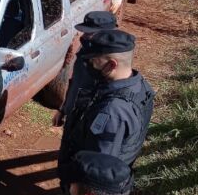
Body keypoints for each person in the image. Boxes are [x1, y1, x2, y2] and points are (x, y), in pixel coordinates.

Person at [57, 29, 155, 173]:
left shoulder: (112, 112)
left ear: (111, 65)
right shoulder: (140, 86)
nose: (88, 65)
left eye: (93, 61)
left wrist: (78, 189)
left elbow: (99, 167)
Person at [53, 11, 118, 127]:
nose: (83, 36)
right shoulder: (85, 50)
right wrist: (63, 109)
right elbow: (75, 83)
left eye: (89, 32)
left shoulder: (112, 63)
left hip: (91, 122)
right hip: (75, 117)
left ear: (105, 34)